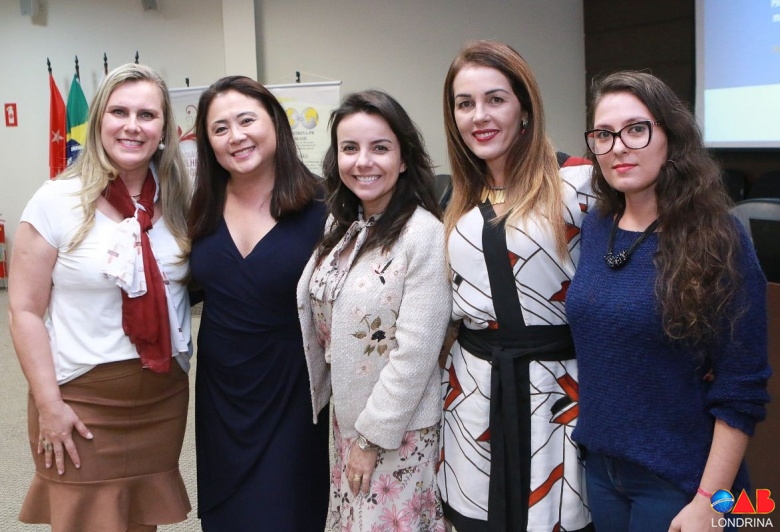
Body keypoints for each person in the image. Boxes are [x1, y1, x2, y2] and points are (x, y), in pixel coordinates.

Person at [566, 71, 771, 532]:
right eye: (604, 135)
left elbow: (742, 387)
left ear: (671, 137)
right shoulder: (597, 225)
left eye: (636, 129)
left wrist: (711, 502)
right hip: (601, 470)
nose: (619, 147)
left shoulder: (718, 238)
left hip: (681, 481)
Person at [8, 63, 193, 531]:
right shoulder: (56, 200)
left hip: (162, 397)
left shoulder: (179, 201)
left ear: (164, 129)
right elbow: (24, 310)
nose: (133, 126)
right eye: (119, 112)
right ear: (98, 122)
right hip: (80, 399)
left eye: (147, 115)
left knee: (141, 520)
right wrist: (49, 405)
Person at [437, 40, 594, 532]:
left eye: (495, 99)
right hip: (472, 393)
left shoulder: (581, 184)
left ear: (525, 107)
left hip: (558, 392)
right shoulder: (457, 196)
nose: (479, 116)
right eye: (465, 103)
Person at [297, 89, 451, 531]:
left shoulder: (423, 234)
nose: (363, 161)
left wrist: (369, 439)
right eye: (350, 148)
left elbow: (415, 353)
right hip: (348, 420)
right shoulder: (342, 224)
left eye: (380, 148)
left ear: (403, 159)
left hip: (397, 430)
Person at [188, 75, 329, 531]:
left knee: (285, 509)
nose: (236, 136)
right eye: (220, 128)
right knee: (227, 513)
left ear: (276, 123)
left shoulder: (326, 205)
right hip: (222, 389)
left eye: (246, 120)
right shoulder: (200, 207)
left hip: (292, 386)